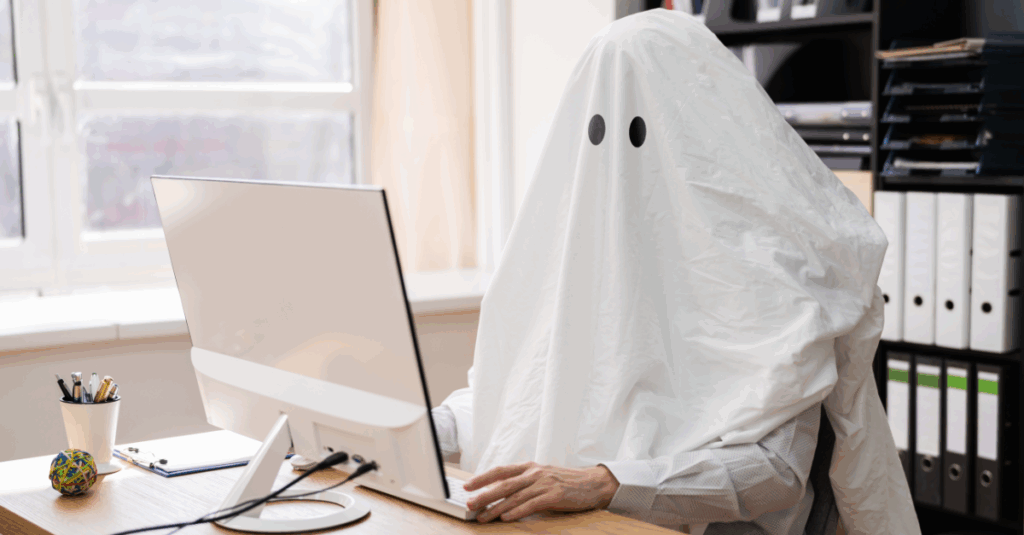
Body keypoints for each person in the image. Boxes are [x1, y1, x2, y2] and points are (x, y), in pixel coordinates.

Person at [432, 9, 918, 535]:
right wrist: (418, 426)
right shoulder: (576, 259)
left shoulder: (771, 270)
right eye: (596, 127)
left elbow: (776, 471)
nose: (617, 161)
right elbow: (512, 396)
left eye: (641, 130)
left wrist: (607, 483)